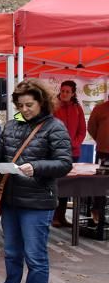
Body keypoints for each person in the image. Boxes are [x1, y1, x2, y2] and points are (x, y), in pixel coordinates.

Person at [0, 80, 72, 283]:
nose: (25, 109)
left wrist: (37, 167)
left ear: (42, 101)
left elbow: (65, 162)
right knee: (11, 252)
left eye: (29, 104)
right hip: (11, 199)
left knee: (35, 256)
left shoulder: (54, 127)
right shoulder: (12, 124)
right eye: (20, 105)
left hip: (37, 201)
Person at [52, 80, 86, 226]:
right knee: (55, 184)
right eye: (62, 91)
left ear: (73, 93)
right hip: (55, 152)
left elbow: (82, 130)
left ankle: (62, 217)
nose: (64, 94)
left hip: (73, 152)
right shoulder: (53, 106)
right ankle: (53, 217)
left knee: (68, 185)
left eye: (67, 91)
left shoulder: (77, 108)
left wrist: (74, 144)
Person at [88, 97, 109, 225]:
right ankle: (96, 209)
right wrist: (102, 140)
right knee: (101, 183)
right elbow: (91, 128)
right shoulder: (100, 109)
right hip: (104, 152)